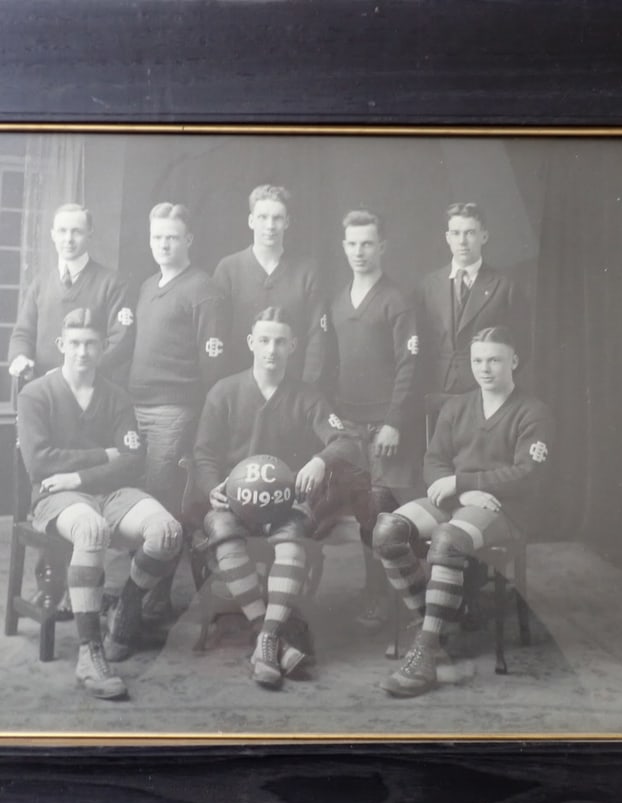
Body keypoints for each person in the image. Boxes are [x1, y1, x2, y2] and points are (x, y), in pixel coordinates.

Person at [371, 326, 552, 697]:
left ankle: (425, 649)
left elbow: (527, 474)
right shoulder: (457, 406)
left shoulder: (533, 411)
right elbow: (433, 461)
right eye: (478, 361)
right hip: (461, 500)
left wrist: (464, 484)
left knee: (448, 538)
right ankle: (435, 622)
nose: (485, 369)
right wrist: (460, 493)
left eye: (495, 360)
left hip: (504, 508)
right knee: (387, 530)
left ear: (514, 361)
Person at [193, 306, 362, 689]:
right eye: (265, 340)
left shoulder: (307, 396)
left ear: (293, 346)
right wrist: (212, 488)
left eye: (280, 342)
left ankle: (265, 638)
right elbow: (203, 453)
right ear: (252, 343)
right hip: (234, 503)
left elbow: (346, 441)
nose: (272, 349)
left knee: (291, 544)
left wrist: (320, 460)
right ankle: (266, 634)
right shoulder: (224, 391)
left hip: (286, 503)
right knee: (223, 531)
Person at [17, 308, 183, 699]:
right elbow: (40, 462)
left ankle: (127, 604)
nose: (82, 352)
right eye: (74, 344)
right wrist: (102, 455)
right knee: (90, 529)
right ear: (61, 345)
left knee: (167, 532)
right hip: (56, 496)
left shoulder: (116, 396)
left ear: (103, 347)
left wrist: (83, 473)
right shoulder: (36, 393)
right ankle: (90, 652)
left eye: (91, 344)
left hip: (108, 491)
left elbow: (132, 457)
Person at [127, 202, 230, 614]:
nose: (163, 244)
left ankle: (155, 597)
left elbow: (215, 367)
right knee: (136, 504)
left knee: (161, 505)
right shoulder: (148, 285)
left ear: (188, 239)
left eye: (172, 237)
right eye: (157, 237)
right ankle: (144, 587)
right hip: (137, 409)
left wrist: (201, 422)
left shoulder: (204, 290)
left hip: (175, 411)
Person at [326, 209, 423, 630]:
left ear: (382, 246)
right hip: (349, 424)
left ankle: (400, 595)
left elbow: (410, 365)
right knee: (364, 511)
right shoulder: (337, 297)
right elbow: (330, 361)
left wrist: (394, 421)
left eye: (367, 243)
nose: (360, 251)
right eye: (352, 243)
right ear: (344, 247)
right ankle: (375, 591)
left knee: (385, 511)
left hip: (386, 428)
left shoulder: (397, 299)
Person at [417, 202, 529, 416]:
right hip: (436, 394)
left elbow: (522, 346)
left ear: (484, 236)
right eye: (456, 233)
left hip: (485, 395)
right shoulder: (427, 286)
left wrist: (493, 384)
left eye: (470, 233)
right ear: (447, 238)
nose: (462, 241)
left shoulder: (505, 287)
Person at [212, 184, 328, 385]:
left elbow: (317, 337)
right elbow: (216, 333)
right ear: (251, 221)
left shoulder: (307, 270)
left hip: (293, 390)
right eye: (262, 217)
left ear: (287, 222)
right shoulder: (228, 269)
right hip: (239, 389)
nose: (270, 225)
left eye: (277, 218)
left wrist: (307, 391)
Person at [8, 203, 135, 383]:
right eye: (62, 231)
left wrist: (73, 373)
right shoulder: (40, 284)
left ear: (90, 233)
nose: (68, 239)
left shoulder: (111, 283)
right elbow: (23, 333)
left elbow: (121, 341)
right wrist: (20, 357)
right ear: (52, 234)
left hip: (90, 391)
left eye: (77, 231)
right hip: (44, 389)